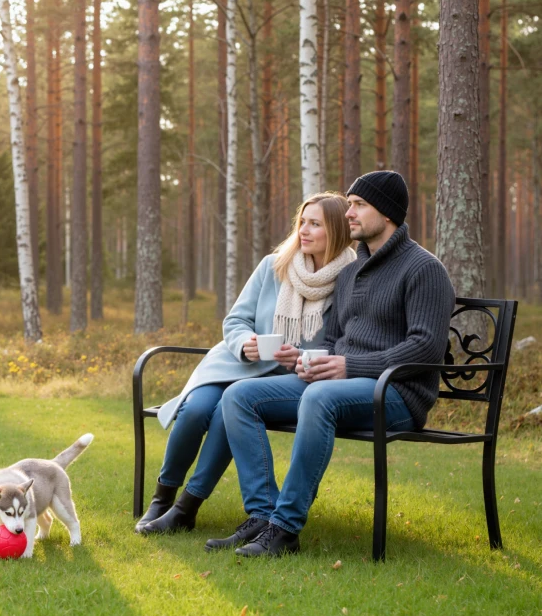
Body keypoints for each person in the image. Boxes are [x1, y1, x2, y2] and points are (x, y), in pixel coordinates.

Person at [212, 170, 455, 556]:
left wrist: (349, 367)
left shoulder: (424, 269)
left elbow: (425, 348)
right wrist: (307, 362)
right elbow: (333, 341)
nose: (349, 214)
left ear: (387, 214)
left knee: (319, 399)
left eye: (359, 205)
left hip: (397, 394)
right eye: (350, 204)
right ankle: (262, 516)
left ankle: (285, 529)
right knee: (240, 397)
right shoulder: (352, 271)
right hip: (339, 386)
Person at [136, 193, 357, 535]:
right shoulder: (274, 266)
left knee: (230, 408)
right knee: (195, 412)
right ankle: (163, 497)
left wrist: (297, 356)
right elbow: (235, 320)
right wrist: (245, 344)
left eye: (316, 224)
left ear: (339, 231)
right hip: (232, 364)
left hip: (277, 379)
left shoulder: (349, 280)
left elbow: (335, 344)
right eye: (302, 222)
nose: (304, 230)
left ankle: (186, 509)